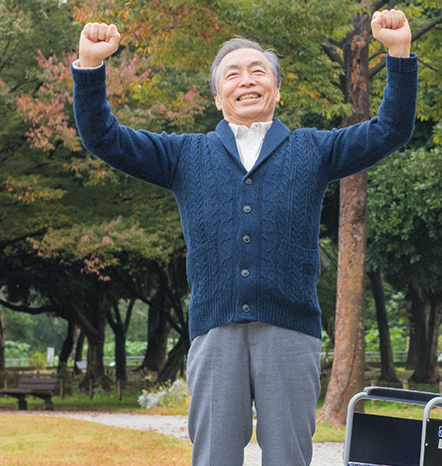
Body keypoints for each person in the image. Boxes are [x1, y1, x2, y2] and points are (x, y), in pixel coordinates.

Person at [72, 10, 416, 466]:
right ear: (218, 96)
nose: (246, 80)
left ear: (277, 88)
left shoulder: (312, 149)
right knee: (214, 456)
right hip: (215, 331)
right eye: (232, 74)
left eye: (258, 71)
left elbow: (390, 129)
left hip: (291, 330)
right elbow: (104, 138)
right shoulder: (185, 155)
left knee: (289, 458)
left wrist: (397, 53)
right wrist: (91, 66)